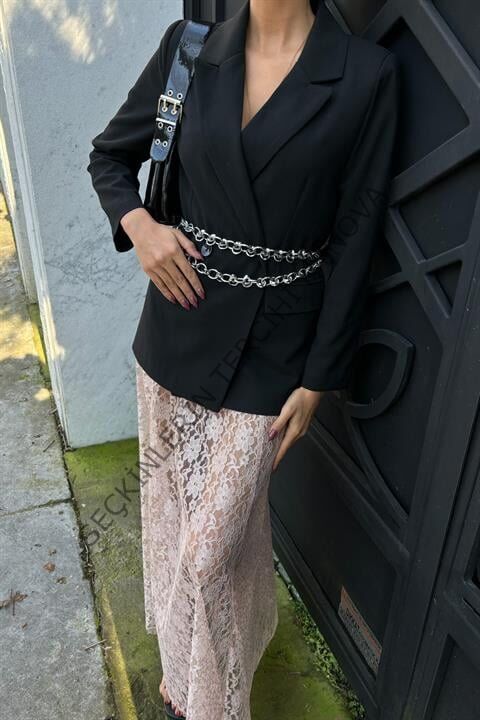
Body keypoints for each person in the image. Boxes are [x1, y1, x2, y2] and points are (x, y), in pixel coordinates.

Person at [86, 1, 399, 718]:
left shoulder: (366, 75)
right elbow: (110, 157)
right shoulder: (189, 48)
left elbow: (357, 237)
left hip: (275, 352)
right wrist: (142, 229)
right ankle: (184, 687)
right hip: (175, 333)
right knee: (172, 524)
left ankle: (217, 695)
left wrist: (319, 379)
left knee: (211, 552)